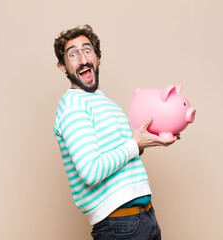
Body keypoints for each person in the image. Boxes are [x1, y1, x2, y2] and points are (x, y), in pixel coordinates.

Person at [53, 24, 179, 240]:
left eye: (87, 50)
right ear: (63, 66)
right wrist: (135, 144)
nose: (82, 58)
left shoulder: (107, 103)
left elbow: (124, 154)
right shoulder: (73, 106)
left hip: (145, 217)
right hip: (120, 225)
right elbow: (91, 171)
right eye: (72, 54)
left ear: (97, 57)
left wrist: (148, 141)